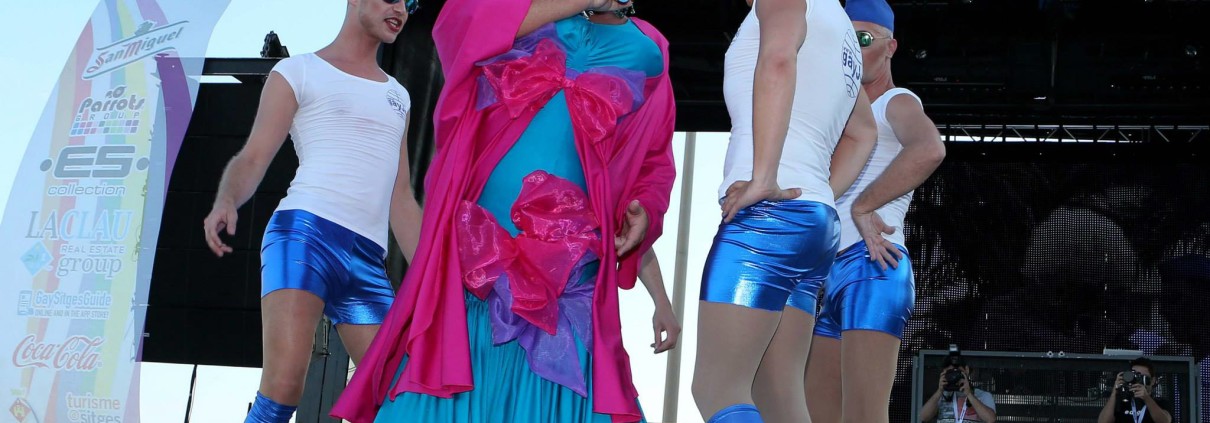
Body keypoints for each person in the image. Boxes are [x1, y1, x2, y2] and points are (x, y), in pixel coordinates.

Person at [329, 0, 679, 420]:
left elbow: (653, 161)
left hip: (567, 270)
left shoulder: (651, 50)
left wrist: (647, 212)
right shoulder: (527, 7)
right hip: (479, 253)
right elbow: (460, 25)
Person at [200, 0, 424, 422]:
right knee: (283, 388)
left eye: (408, 2)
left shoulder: (399, 96)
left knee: (397, 393)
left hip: (367, 260)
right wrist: (226, 199)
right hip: (305, 236)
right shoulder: (298, 71)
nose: (400, 8)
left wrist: (434, 274)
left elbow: (401, 198)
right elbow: (253, 156)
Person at [689, 0, 878, 420]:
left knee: (716, 388)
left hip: (769, 220)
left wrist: (763, 177)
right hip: (813, 222)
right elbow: (864, 133)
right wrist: (818, 193)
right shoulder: (841, 27)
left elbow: (778, 60)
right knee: (779, 398)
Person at [803, 1, 946, 422]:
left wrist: (865, 205)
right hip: (831, 276)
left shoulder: (896, 102)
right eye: (845, 39)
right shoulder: (837, 115)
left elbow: (930, 148)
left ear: (890, 47)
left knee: (864, 416)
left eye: (863, 39)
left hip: (872, 266)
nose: (853, 48)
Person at [1097, 359, 1173, 423]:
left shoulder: (1160, 403)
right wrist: (1114, 392)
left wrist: (1146, 398)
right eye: (1135, 376)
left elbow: (1165, 421)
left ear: (1153, 380)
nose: (1138, 381)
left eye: (1143, 377)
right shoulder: (1120, 403)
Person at [919, 361, 997, 423]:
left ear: (966, 370)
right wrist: (939, 391)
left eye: (957, 372)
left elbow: (991, 419)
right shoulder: (942, 395)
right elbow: (923, 417)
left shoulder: (983, 395)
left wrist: (969, 394)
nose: (954, 376)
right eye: (950, 373)